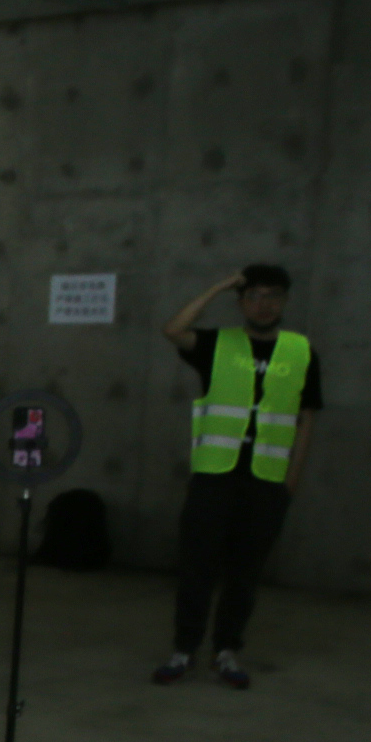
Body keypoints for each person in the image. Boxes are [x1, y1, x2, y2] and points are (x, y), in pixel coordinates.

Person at [153, 265, 318, 688]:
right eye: (253, 296)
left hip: (266, 482)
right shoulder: (216, 344)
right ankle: (184, 649)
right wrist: (218, 286)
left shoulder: (301, 351)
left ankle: (226, 651)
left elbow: (306, 421)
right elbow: (173, 329)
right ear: (241, 303)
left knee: (245, 574)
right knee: (196, 569)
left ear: (284, 301)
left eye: (272, 296)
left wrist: (290, 482)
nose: (262, 305)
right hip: (214, 477)